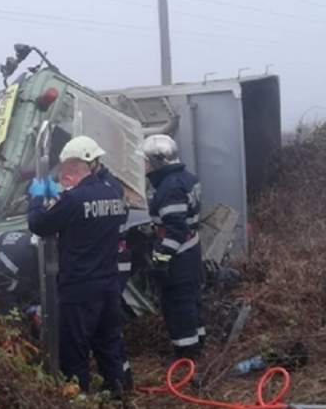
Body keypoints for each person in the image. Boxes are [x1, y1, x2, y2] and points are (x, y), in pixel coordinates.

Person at [27, 135, 128, 395]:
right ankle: (118, 397)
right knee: (108, 345)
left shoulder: (73, 200)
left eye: (66, 170)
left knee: (74, 350)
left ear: (72, 167)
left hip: (79, 288)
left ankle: (80, 405)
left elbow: (39, 223)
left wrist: (38, 197)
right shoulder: (114, 191)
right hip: (109, 284)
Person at [143, 133, 205, 358]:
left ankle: (186, 356)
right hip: (191, 249)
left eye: (147, 161)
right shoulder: (186, 178)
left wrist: (160, 259)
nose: (144, 166)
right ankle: (198, 347)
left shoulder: (170, 188)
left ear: (159, 162)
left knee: (178, 306)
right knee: (192, 303)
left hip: (179, 255)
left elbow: (175, 229)